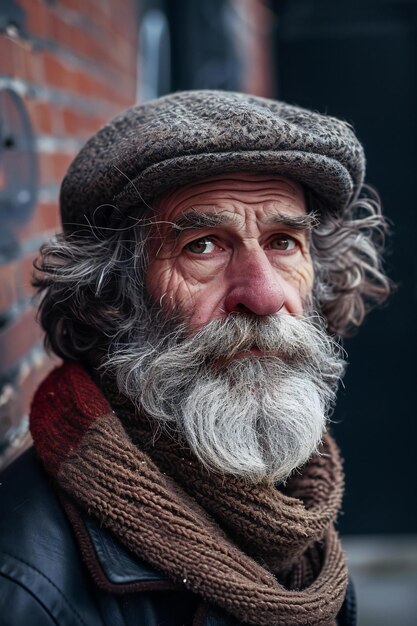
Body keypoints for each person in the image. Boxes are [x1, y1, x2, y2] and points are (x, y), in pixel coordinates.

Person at [0, 90, 390, 626]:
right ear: (113, 292)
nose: (264, 295)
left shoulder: (292, 490)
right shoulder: (27, 587)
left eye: (283, 241)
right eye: (202, 245)